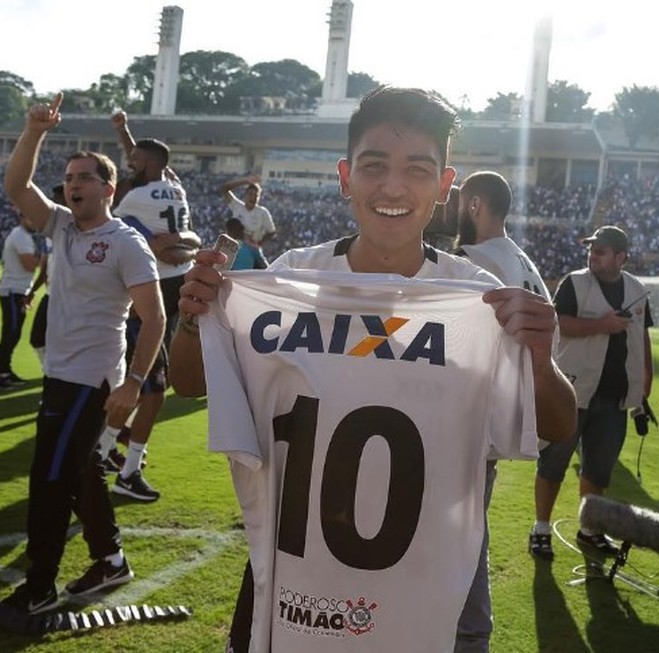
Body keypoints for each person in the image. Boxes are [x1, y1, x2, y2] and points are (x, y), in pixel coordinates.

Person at [171, 86, 576, 652]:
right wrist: (192, 317)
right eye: (374, 166)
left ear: (443, 186)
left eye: (417, 170)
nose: (392, 187)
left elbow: (557, 425)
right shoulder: (290, 281)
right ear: (345, 176)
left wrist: (538, 359)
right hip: (295, 583)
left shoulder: (479, 299)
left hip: (422, 587)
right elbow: (187, 383)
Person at [0, 93, 166, 614]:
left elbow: (155, 316)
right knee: (79, 471)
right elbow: (16, 187)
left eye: (84, 178)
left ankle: (40, 586)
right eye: (69, 178)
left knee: (48, 478)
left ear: (109, 188)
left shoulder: (125, 243)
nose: (72, 185)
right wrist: (34, 131)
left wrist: (134, 383)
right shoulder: (60, 225)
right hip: (59, 373)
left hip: (92, 380)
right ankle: (110, 560)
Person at [453, 170, 556, 653]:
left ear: (475, 204)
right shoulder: (519, 258)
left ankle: (469, 636)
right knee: (469, 530)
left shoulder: (475, 262)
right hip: (503, 417)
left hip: (471, 421)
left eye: (457, 200)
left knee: (459, 537)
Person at [91, 110, 201, 502]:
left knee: (151, 387)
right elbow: (184, 234)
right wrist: (183, 241)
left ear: (149, 164)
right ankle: (120, 464)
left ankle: (105, 452)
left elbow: (117, 228)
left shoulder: (134, 196)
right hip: (162, 294)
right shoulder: (176, 187)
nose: (129, 163)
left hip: (150, 293)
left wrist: (164, 243)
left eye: (134, 160)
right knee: (152, 389)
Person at [529, 225, 653, 561]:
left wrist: (644, 383)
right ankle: (541, 528)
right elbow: (559, 323)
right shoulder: (574, 282)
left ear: (621, 257)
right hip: (572, 392)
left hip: (615, 399)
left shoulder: (637, 288)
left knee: (599, 470)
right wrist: (602, 325)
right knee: (553, 463)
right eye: (591, 249)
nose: (592, 255)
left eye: (600, 250)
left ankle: (589, 530)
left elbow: (642, 337)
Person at [0, 214, 40, 389]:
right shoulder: (20, 236)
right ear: (23, 217)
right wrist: (44, 257)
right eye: (31, 218)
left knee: (13, 334)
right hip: (13, 291)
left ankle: (4, 370)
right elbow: (30, 265)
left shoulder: (22, 235)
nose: (35, 221)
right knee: (11, 334)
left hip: (17, 290)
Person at [26, 184, 63, 369]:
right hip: (51, 295)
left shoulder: (79, 230)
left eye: (57, 200)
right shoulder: (51, 233)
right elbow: (46, 268)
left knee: (63, 344)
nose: (53, 203)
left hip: (70, 298)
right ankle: (49, 374)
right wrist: (32, 290)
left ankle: (55, 378)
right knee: (37, 339)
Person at [221, 175, 276, 267]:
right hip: (234, 247)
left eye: (256, 195)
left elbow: (271, 231)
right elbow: (224, 189)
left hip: (252, 249)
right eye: (250, 194)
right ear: (245, 195)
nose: (253, 197)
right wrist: (246, 181)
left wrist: (259, 243)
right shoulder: (237, 206)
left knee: (264, 272)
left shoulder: (262, 212)